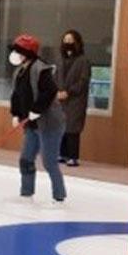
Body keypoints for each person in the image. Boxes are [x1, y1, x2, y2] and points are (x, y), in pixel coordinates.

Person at [8, 34, 66, 203]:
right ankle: (26, 192)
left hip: (49, 124)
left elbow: (50, 92)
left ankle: (59, 195)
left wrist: (37, 110)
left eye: (18, 51)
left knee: (49, 162)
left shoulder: (41, 69)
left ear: (27, 53)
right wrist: (16, 114)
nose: (15, 54)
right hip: (31, 125)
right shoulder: (19, 71)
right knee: (25, 159)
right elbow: (16, 96)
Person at [56, 30, 91, 166]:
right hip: (61, 99)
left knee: (73, 128)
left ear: (77, 42)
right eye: (65, 40)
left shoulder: (83, 61)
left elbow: (83, 81)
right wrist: (57, 92)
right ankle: (62, 154)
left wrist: (69, 92)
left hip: (76, 100)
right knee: (61, 127)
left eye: (70, 40)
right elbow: (55, 77)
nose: (68, 43)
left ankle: (73, 157)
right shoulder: (60, 60)